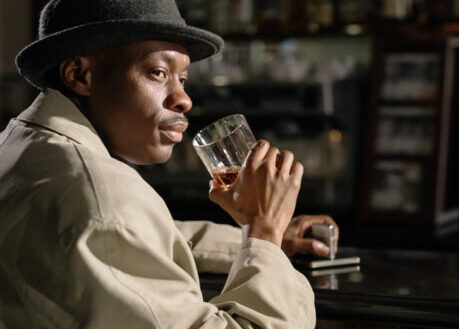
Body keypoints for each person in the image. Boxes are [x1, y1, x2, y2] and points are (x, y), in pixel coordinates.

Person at [0, 0, 338, 328]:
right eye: (158, 72)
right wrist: (263, 232)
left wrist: (268, 240)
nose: (184, 99)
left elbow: (142, 235)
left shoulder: (22, 145)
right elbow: (112, 224)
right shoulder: (102, 200)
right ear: (80, 74)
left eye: (183, 79)